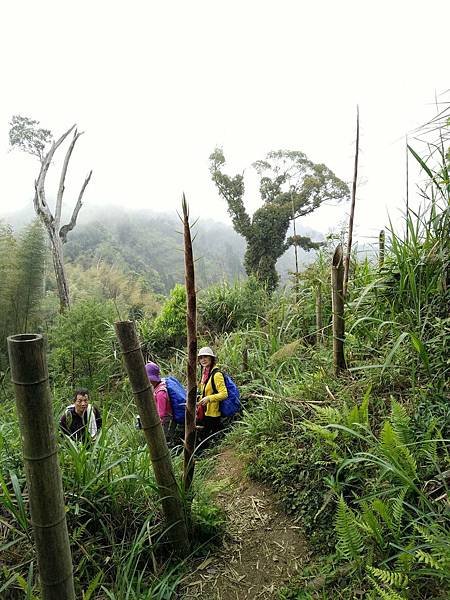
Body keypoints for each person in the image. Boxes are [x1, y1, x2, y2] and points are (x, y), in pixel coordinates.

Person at [196, 346, 228, 445]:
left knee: (208, 439)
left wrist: (209, 398)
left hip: (213, 413)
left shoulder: (216, 374)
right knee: (208, 437)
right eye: (201, 357)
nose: (203, 359)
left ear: (211, 358)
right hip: (206, 411)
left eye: (206, 356)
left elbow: (224, 394)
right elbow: (206, 391)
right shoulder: (205, 372)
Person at [145, 361, 179, 445]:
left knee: (165, 442)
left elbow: (162, 413)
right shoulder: (160, 385)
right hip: (168, 420)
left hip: (166, 422)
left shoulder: (160, 393)